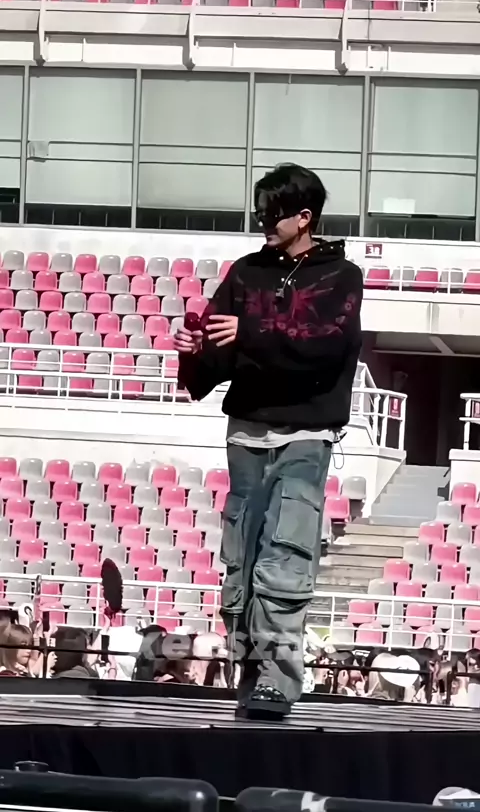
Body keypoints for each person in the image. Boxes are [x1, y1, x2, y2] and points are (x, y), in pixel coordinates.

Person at [174, 163, 363, 717]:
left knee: (285, 555)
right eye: (261, 212)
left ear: (305, 217)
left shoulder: (341, 275)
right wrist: (196, 352)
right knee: (242, 559)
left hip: (305, 434)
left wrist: (250, 333)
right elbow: (216, 360)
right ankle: (251, 676)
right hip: (246, 434)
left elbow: (327, 343)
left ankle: (279, 679)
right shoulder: (245, 272)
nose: (264, 222)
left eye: (274, 213)